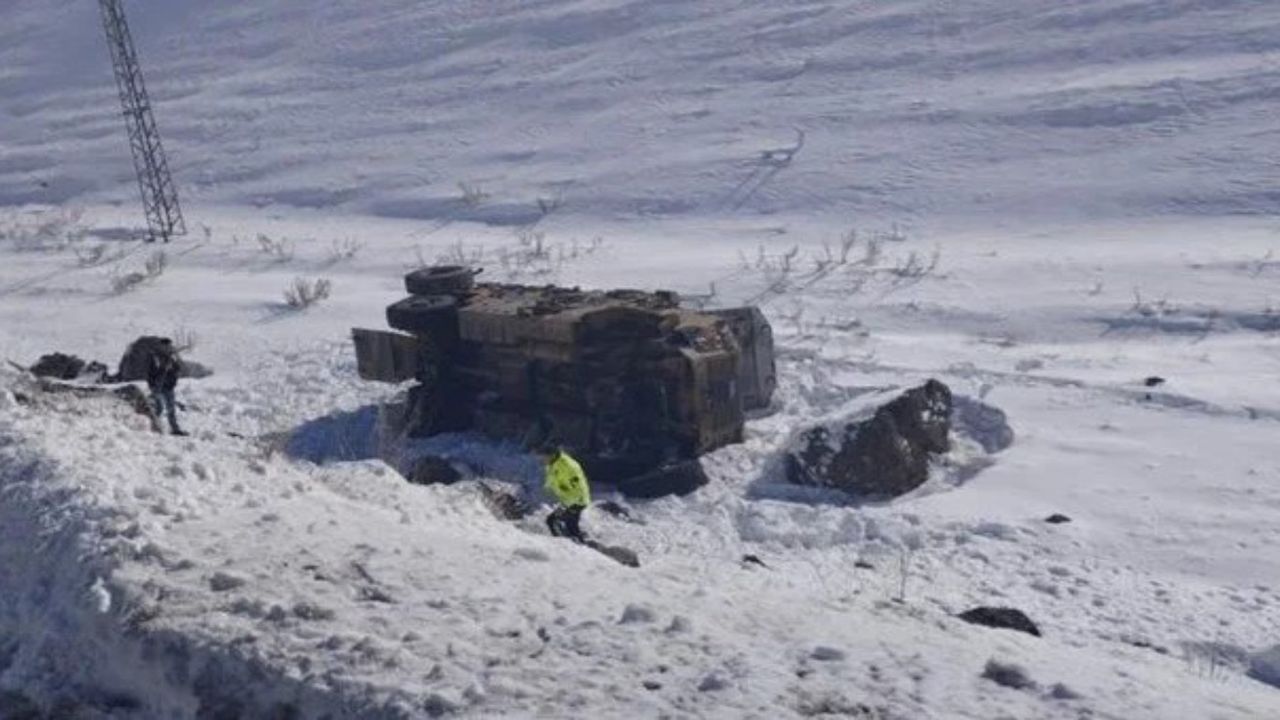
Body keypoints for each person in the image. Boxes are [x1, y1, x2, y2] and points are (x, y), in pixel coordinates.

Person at [538, 445, 591, 543]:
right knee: (570, 525)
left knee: (552, 520)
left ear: (552, 455)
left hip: (576, 501)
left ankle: (562, 544)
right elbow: (553, 478)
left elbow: (578, 487)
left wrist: (569, 505)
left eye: (544, 457)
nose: (541, 459)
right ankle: (579, 542)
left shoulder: (568, 466)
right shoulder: (552, 463)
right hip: (569, 501)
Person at [147, 337, 185, 436]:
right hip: (158, 387)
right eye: (166, 346)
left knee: (171, 409)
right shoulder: (155, 358)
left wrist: (174, 367)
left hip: (168, 386)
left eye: (169, 346)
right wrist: (164, 369)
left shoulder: (172, 358)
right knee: (159, 408)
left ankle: (175, 429)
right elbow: (152, 373)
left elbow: (178, 369)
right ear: (162, 346)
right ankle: (153, 426)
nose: (168, 348)